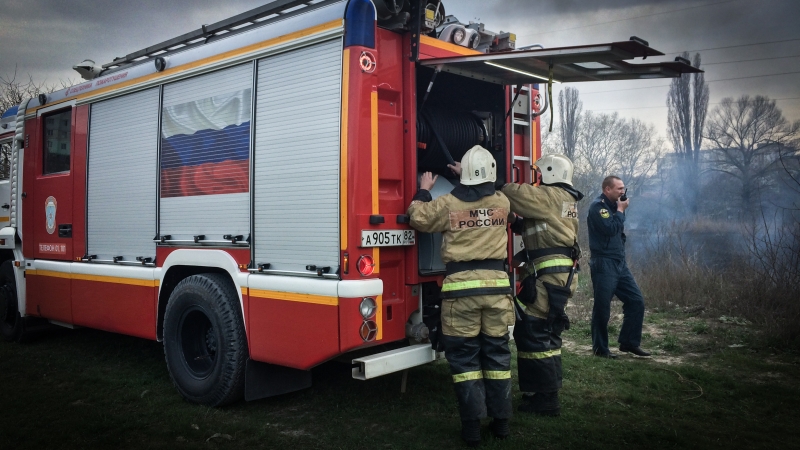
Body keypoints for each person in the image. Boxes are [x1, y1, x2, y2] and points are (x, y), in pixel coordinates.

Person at [407, 145, 514, 446]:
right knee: (497, 356)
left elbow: (418, 217)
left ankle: (471, 429)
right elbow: (484, 196)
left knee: (465, 362)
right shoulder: (502, 202)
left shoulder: (448, 204)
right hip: (497, 293)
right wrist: (467, 175)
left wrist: (424, 190)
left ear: (464, 175)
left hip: (460, 295)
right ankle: (502, 424)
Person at [501, 154, 583, 417]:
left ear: (550, 172)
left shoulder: (550, 195)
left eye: (539, 173)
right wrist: (517, 223)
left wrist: (490, 177)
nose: (537, 179)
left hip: (549, 278)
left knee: (532, 332)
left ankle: (545, 399)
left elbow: (513, 193)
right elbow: (546, 227)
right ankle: (547, 392)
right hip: (559, 277)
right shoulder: (564, 198)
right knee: (549, 333)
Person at [587, 176, 651, 358]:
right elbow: (610, 229)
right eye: (619, 189)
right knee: (602, 308)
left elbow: (618, 231)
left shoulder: (614, 207)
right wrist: (621, 211)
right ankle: (600, 349)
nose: (623, 192)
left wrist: (619, 210)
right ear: (607, 189)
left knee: (636, 301)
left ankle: (629, 342)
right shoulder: (598, 207)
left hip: (619, 262)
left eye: (624, 188)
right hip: (604, 263)